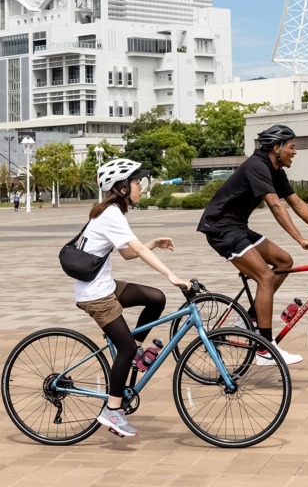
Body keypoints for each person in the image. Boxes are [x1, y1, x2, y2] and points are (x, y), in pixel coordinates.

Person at [196, 124, 308, 365]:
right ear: (276, 147)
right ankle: (264, 348)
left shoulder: (276, 170)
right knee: (265, 277)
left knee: (284, 261)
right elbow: (274, 204)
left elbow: (297, 204)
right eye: (292, 147)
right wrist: (300, 238)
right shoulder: (257, 165)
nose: (295, 152)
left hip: (238, 227)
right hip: (220, 229)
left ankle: (250, 319)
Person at [72, 158, 186, 439]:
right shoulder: (110, 214)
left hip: (105, 286)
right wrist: (172, 275)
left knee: (156, 299)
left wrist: (154, 244)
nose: (141, 188)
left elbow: (127, 252)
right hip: (96, 295)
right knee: (122, 349)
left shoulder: (112, 213)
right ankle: (112, 410)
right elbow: (138, 253)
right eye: (137, 182)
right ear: (122, 187)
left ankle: (134, 351)